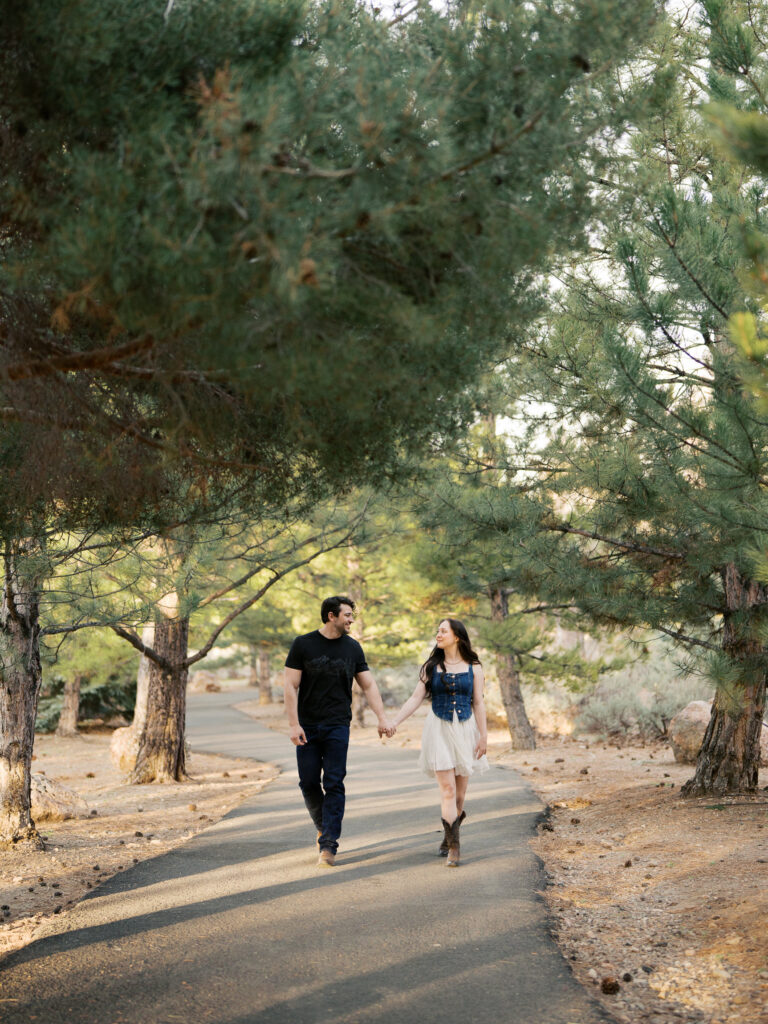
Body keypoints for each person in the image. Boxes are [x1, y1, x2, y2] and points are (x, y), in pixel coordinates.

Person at [284, 595, 394, 867]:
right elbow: (290, 685)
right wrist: (293, 724)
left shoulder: (353, 648)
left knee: (334, 782)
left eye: (351, 614)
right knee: (308, 782)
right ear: (331, 616)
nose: (351, 619)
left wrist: (382, 717)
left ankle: (329, 844)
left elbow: (368, 685)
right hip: (308, 725)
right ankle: (324, 827)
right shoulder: (303, 644)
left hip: (337, 725)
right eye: (347, 614)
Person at [389, 617, 488, 867]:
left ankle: (447, 837)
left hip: (465, 730)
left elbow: (478, 702)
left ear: (457, 636)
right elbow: (415, 698)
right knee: (447, 790)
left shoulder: (474, 667)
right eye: (438, 631)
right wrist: (394, 722)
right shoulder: (431, 667)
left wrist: (484, 736)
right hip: (439, 731)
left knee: (460, 795)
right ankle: (455, 848)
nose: (438, 634)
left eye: (443, 631)